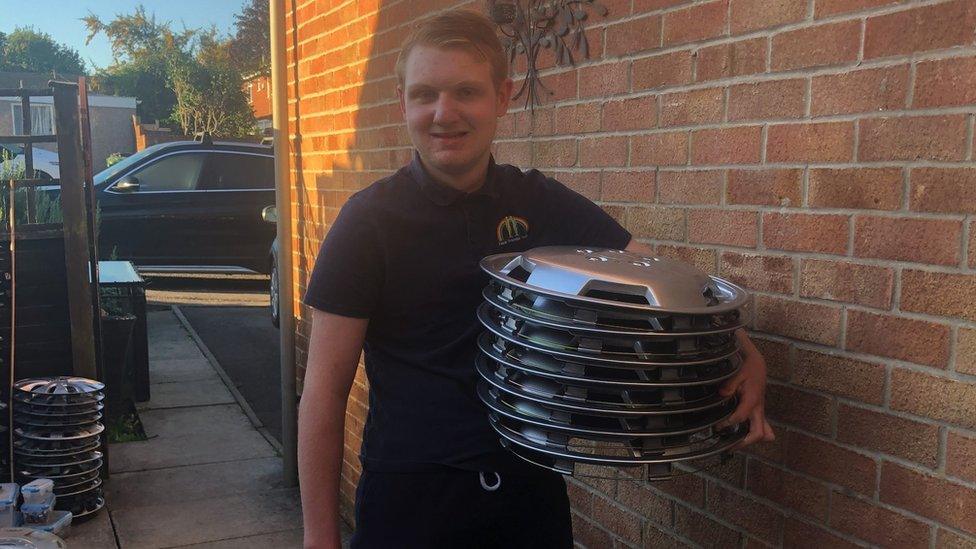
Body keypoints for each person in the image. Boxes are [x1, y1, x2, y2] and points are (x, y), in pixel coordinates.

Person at [298, 9, 774, 549]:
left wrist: (745, 351)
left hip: (530, 490)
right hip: (412, 500)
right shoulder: (368, 222)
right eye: (425, 93)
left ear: (502, 98)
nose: (444, 112)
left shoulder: (539, 202)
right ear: (402, 101)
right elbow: (323, 394)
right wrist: (320, 538)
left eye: (466, 92)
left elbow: (658, 281)